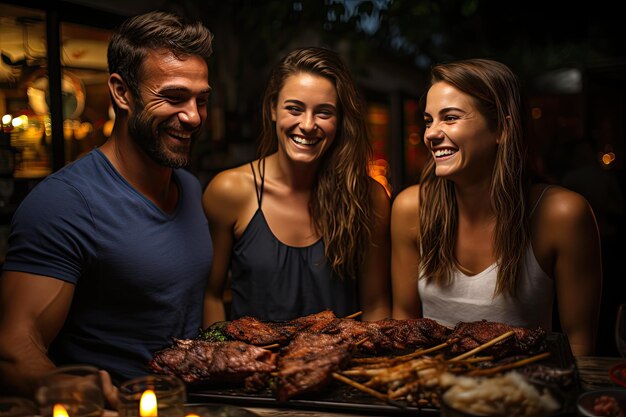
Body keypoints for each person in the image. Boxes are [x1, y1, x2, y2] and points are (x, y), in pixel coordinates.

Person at [0, 11, 214, 401]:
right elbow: (15, 347)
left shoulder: (188, 186)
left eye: (201, 99)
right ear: (122, 92)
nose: (193, 116)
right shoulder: (63, 202)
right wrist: (63, 387)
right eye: (173, 97)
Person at [391, 58, 602, 356]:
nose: (431, 134)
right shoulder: (410, 208)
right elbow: (402, 323)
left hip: (525, 394)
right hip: (429, 393)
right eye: (428, 120)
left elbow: (579, 344)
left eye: (449, 118)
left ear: (502, 129)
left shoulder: (562, 214)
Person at [203, 47, 390, 324]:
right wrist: (224, 360)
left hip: (344, 366)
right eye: (294, 109)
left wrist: (373, 368)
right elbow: (211, 296)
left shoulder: (368, 197)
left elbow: (376, 307)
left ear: (340, 122)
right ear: (272, 109)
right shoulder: (230, 192)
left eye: (324, 113)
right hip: (253, 365)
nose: (307, 124)